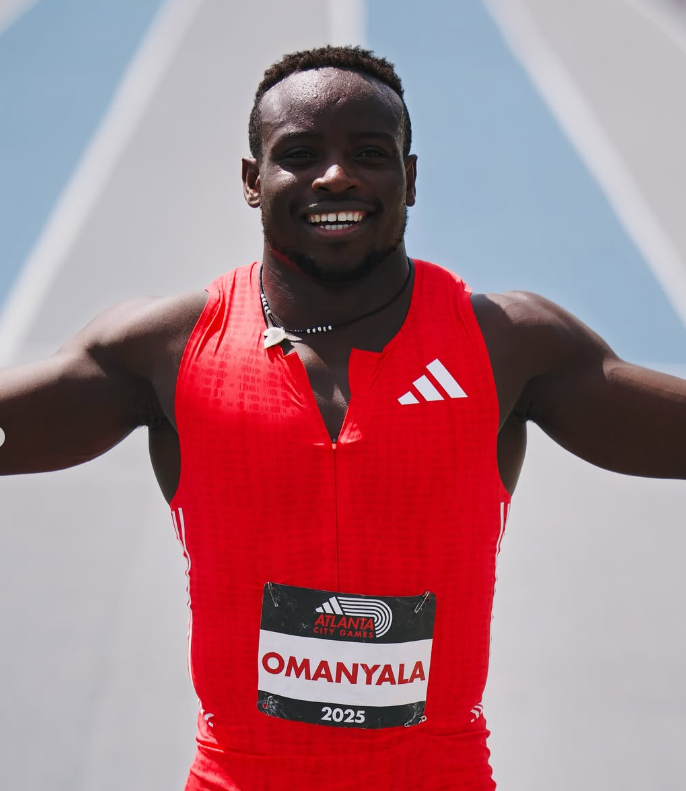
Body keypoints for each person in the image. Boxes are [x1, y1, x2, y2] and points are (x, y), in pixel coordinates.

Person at [0, 44, 684, 790]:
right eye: (299, 153)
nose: (336, 174)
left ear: (410, 178)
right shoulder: (165, 350)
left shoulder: (506, 346)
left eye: (368, 152)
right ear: (252, 182)